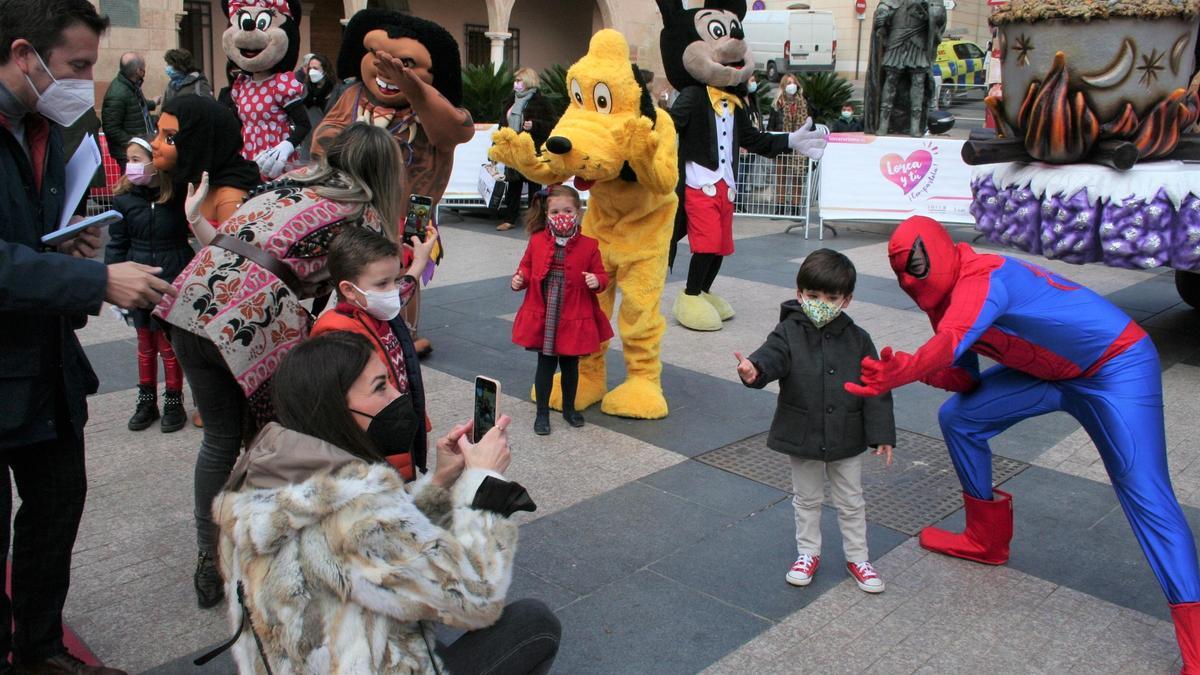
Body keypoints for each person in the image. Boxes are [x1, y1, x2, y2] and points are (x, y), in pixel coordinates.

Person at [845, 216, 1200, 669]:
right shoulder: (943, 298)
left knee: (1145, 493)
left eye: (914, 265)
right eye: (901, 273)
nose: (909, 280)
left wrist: (911, 368)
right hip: (1048, 374)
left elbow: (954, 340)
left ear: (935, 251)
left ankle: (1196, 642)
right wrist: (916, 370)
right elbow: (962, 376)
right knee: (961, 420)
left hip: (1115, 367)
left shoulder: (984, 276)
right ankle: (984, 539)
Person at [155, 122, 406, 610]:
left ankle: (210, 557)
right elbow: (363, 294)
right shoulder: (362, 215)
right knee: (279, 442)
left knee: (219, 439)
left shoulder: (285, 184)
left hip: (190, 300)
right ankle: (279, 556)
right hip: (254, 315)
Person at [208, 331, 559, 674]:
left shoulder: (268, 474)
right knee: (534, 623)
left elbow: (384, 547)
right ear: (332, 409)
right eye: (380, 387)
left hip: (316, 657)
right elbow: (475, 599)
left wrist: (439, 482)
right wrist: (484, 481)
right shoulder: (354, 509)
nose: (397, 396)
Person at [0, 0, 174, 671]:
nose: (83, 82)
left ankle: (40, 647)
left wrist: (78, 248)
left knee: (55, 509)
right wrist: (94, 284)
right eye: (75, 66)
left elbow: (30, 241)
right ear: (24, 54)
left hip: (46, 365)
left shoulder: (47, 127)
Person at [735, 249, 895, 593]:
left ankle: (858, 557)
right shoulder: (788, 331)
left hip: (847, 434)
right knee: (806, 498)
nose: (820, 302)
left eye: (831, 297)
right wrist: (754, 370)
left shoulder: (858, 338)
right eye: (812, 296)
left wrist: (882, 434)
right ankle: (808, 552)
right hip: (803, 432)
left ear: (846, 300)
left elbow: (876, 385)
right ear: (799, 293)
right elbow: (771, 357)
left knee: (851, 500)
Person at [310, 225, 439, 480]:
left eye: (395, 280)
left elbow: (403, 289)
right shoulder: (338, 336)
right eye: (383, 283)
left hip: (397, 425)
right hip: (371, 447)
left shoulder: (378, 309)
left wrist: (419, 262)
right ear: (348, 289)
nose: (393, 291)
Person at [106, 137, 194, 433]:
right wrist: (112, 283)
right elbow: (117, 243)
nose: (129, 166)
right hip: (139, 278)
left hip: (173, 276)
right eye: (128, 160)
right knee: (145, 345)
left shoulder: (178, 194)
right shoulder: (124, 199)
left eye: (136, 159)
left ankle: (173, 400)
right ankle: (146, 400)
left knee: (169, 345)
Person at [510, 185, 612, 435]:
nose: (561, 215)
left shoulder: (589, 245)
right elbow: (525, 266)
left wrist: (596, 281)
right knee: (545, 364)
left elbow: (602, 274)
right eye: (555, 211)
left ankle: (569, 408)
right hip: (546, 310)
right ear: (546, 214)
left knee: (570, 365)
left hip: (574, 314)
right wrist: (520, 278)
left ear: (578, 211)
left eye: (567, 210)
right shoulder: (536, 241)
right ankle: (542, 413)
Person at [153, 94, 260, 227]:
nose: (154, 143)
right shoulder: (191, 179)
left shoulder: (230, 198)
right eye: (157, 131)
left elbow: (229, 247)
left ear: (198, 143)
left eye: (170, 138)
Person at [495, 67, 554, 232]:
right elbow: (502, 124)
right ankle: (509, 219)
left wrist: (534, 125)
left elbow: (552, 124)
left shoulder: (540, 102)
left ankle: (535, 221)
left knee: (534, 187)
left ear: (528, 82)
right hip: (512, 150)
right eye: (516, 81)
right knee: (513, 186)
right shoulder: (510, 100)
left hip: (531, 150)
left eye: (519, 80)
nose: (516, 84)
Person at [101, 52, 155, 169]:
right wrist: (135, 144)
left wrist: (153, 104)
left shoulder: (132, 86)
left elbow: (136, 106)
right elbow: (111, 129)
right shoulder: (117, 94)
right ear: (138, 71)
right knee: (132, 186)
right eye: (143, 68)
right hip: (129, 154)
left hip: (139, 149)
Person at [769, 74, 809, 210]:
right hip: (782, 142)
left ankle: (795, 206)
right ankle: (779, 206)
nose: (790, 86)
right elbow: (771, 126)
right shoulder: (777, 104)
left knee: (797, 175)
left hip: (798, 145)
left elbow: (808, 123)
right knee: (781, 175)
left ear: (797, 85)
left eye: (792, 83)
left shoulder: (803, 102)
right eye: (787, 83)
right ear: (783, 86)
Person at [297, 53, 343, 162]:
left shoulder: (337, 91)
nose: (312, 71)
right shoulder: (305, 91)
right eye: (310, 68)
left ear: (325, 70)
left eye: (315, 68)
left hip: (330, 143)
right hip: (308, 143)